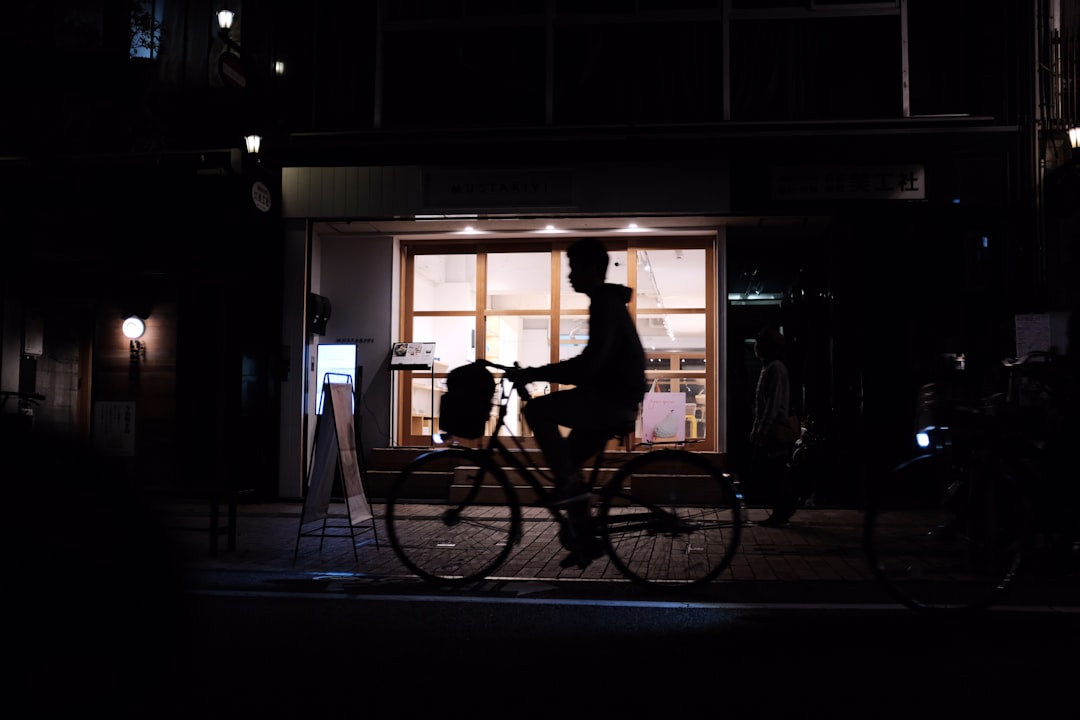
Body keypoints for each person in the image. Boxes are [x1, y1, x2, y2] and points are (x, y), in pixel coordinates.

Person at [507, 238, 647, 564]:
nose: (569, 276)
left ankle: (572, 495)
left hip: (610, 400)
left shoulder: (604, 305)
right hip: (614, 399)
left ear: (592, 270)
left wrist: (534, 374)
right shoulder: (607, 303)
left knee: (538, 409)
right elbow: (592, 365)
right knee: (567, 466)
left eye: (573, 268)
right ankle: (584, 539)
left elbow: (589, 365)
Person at [748, 325, 798, 528]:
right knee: (774, 473)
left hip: (775, 430)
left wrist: (762, 429)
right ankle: (783, 509)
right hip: (769, 429)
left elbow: (773, 405)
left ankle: (782, 510)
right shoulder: (768, 367)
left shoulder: (775, 368)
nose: (756, 348)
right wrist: (756, 427)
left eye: (759, 344)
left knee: (775, 473)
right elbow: (762, 405)